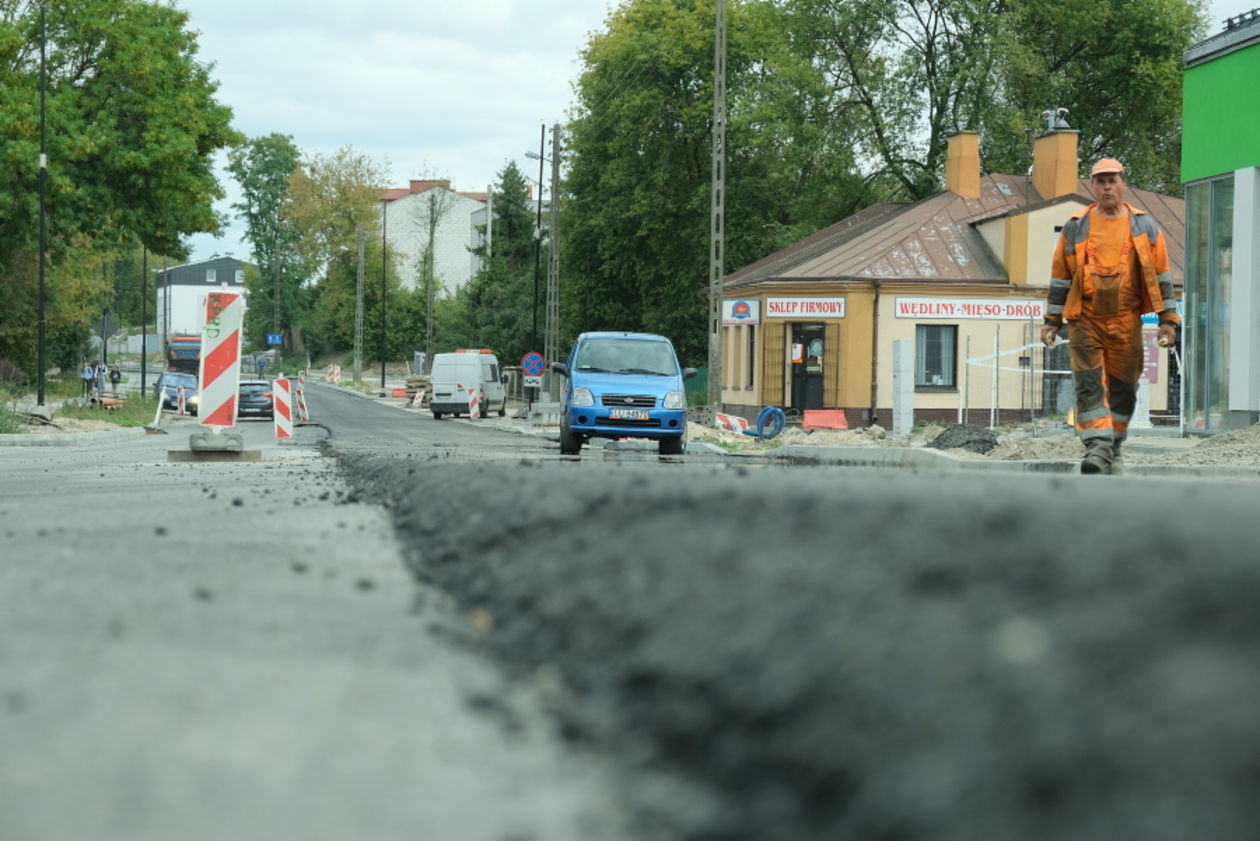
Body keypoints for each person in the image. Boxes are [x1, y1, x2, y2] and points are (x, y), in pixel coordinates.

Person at [1040, 158, 1179, 475]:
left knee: (1124, 388)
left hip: (1126, 320)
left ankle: (1113, 444)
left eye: (1112, 180)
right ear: (1092, 186)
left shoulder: (1144, 226)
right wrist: (1052, 321)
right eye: (1100, 181)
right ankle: (1097, 448)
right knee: (1089, 386)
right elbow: (1060, 278)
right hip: (1085, 319)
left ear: (1122, 183)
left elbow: (1161, 278)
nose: (1106, 186)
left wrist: (1168, 321)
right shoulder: (1076, 226)